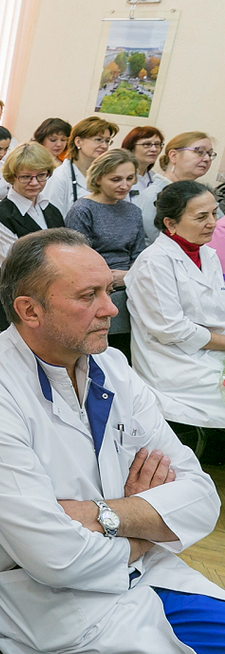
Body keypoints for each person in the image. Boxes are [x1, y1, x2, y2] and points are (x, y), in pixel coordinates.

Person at [0, 228, 225, 654]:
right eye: (88, 295)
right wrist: (148, 526)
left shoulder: (112, 366)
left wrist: (97, 515)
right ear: (30, 310)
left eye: (108, 290)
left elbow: (204, 500)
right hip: (59, 607)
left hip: (146, 574)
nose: (111, 308)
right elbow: (56, 559)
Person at [125, 181, 225, 456]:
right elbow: (171, 330)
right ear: (170, 223)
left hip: (209, 349)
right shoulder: (154, 262)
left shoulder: (206, 253)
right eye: (201, 217)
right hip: (173, 362)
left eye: (214, 213)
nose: (212, 223)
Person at [65, 148, 145, 285]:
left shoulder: (134, 211)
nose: (125, 186)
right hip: (94, 283)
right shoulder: (83, 210)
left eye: (130, 178)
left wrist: (129, 277)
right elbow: (77, 260)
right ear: (98, 179)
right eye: (116, 179)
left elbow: (138, 256)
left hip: (130, 281)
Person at [0, 141, 62, 267]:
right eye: (26, 177)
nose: (34, 183)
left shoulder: (51, 210)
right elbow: (17, 269)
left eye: (41, 175)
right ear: (12, 177)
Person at [136, 131, 218, 244]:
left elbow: (220, 230)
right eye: (200, 152)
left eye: (210, 154)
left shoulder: (203, 194)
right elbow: (163, 243)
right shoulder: (153, 195)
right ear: (173, 156)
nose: (207, 159)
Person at [41, 115, 118, 217]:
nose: (104, 146)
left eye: (107, 141)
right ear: (78, 141)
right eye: (98, 139)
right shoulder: (60, 177)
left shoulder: (107, 176)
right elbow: (51, 219)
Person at [120, 125, 164, 194]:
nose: (154, 149)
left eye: (157, 144)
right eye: (146, 144)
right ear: (131, 147)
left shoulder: (154, 178)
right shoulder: (119, 176)